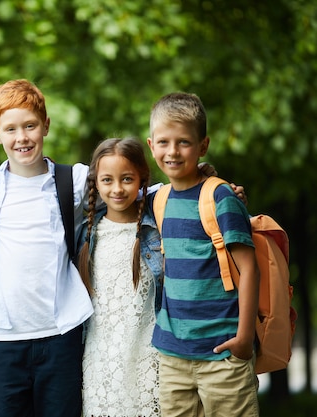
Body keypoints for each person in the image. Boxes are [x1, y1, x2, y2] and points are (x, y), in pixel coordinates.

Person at [0, 79, 93, 417]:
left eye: (30, 126)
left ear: (45, 125)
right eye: (11, 129)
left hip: (60, 332)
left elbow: (127, 184)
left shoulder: (72, 180)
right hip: (1, 337)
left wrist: (203, 183)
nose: (22, 137)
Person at [146, 92, 260, 416]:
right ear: (151, 144)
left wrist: (243, 339)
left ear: (202, 146)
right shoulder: (159, 200)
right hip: (173, 357)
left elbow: (249, 270)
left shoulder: (220, 196)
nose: (172, 151)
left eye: (183, 142)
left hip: (223, 354)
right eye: (164, 142)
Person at [77, 137, 163, 417]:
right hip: (100, 363)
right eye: (107, 180)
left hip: (150, 361)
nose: (117, 189)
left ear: (141, 179)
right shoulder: (86, 234)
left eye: (127, 179)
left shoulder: (157, 225)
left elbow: (190, 188)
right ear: (96, 183)